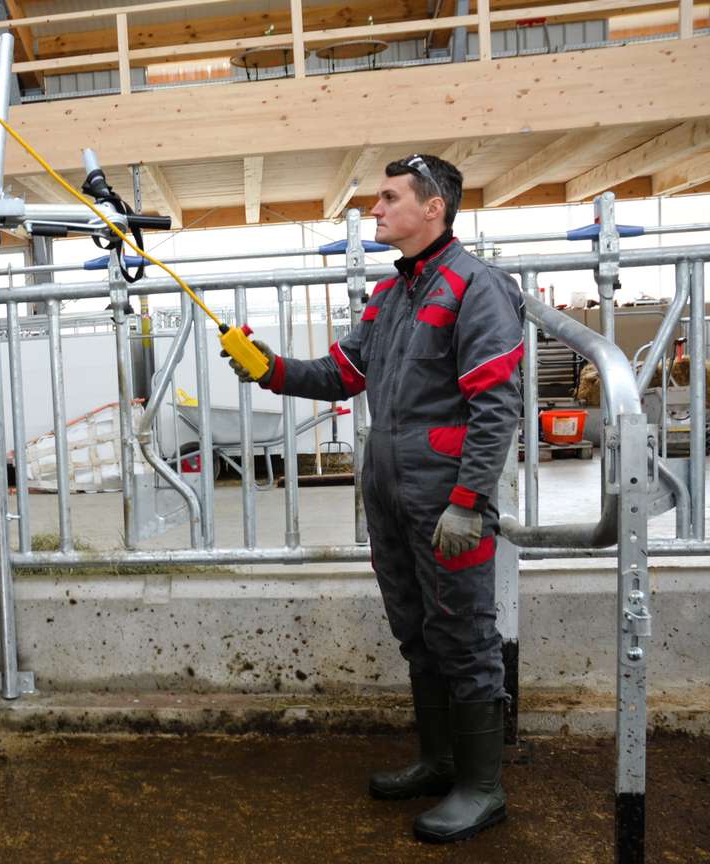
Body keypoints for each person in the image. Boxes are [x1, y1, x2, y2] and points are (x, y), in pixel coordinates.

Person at [224, 153, 523, 844]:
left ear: (433, 208)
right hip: (391, 493)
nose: (375, 210)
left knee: (464, 632)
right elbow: (341, 374)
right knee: (417, 630)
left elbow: (496, 403)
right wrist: (268, 367)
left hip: (447, 499)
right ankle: (439, 759)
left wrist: (470, 498)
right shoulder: (392, 299)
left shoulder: (476, 287)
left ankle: (482, 787)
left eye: (389, 198)